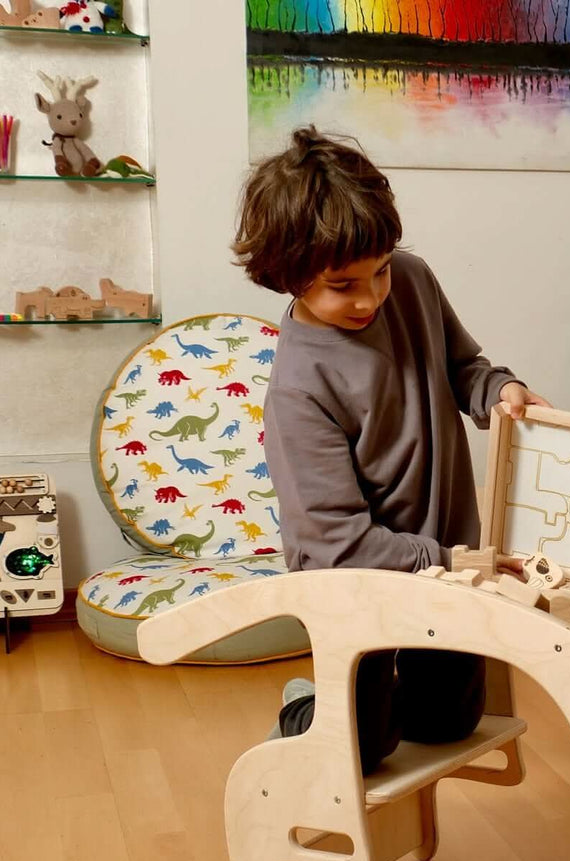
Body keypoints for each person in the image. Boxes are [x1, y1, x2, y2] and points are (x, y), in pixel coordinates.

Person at [233, 126, 550, 773]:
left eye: (377, 272)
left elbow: (465, 366)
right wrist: (453, 560)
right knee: (363, 748)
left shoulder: (409, 279)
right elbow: (337, 543)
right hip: (358, 582)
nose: (370, 296)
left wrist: (499, 390)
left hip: (445, 558)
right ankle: (311, 707)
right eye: (342, 285)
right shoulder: (298, 390)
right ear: (285, 276)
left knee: (446, 724)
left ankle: (363, 701)